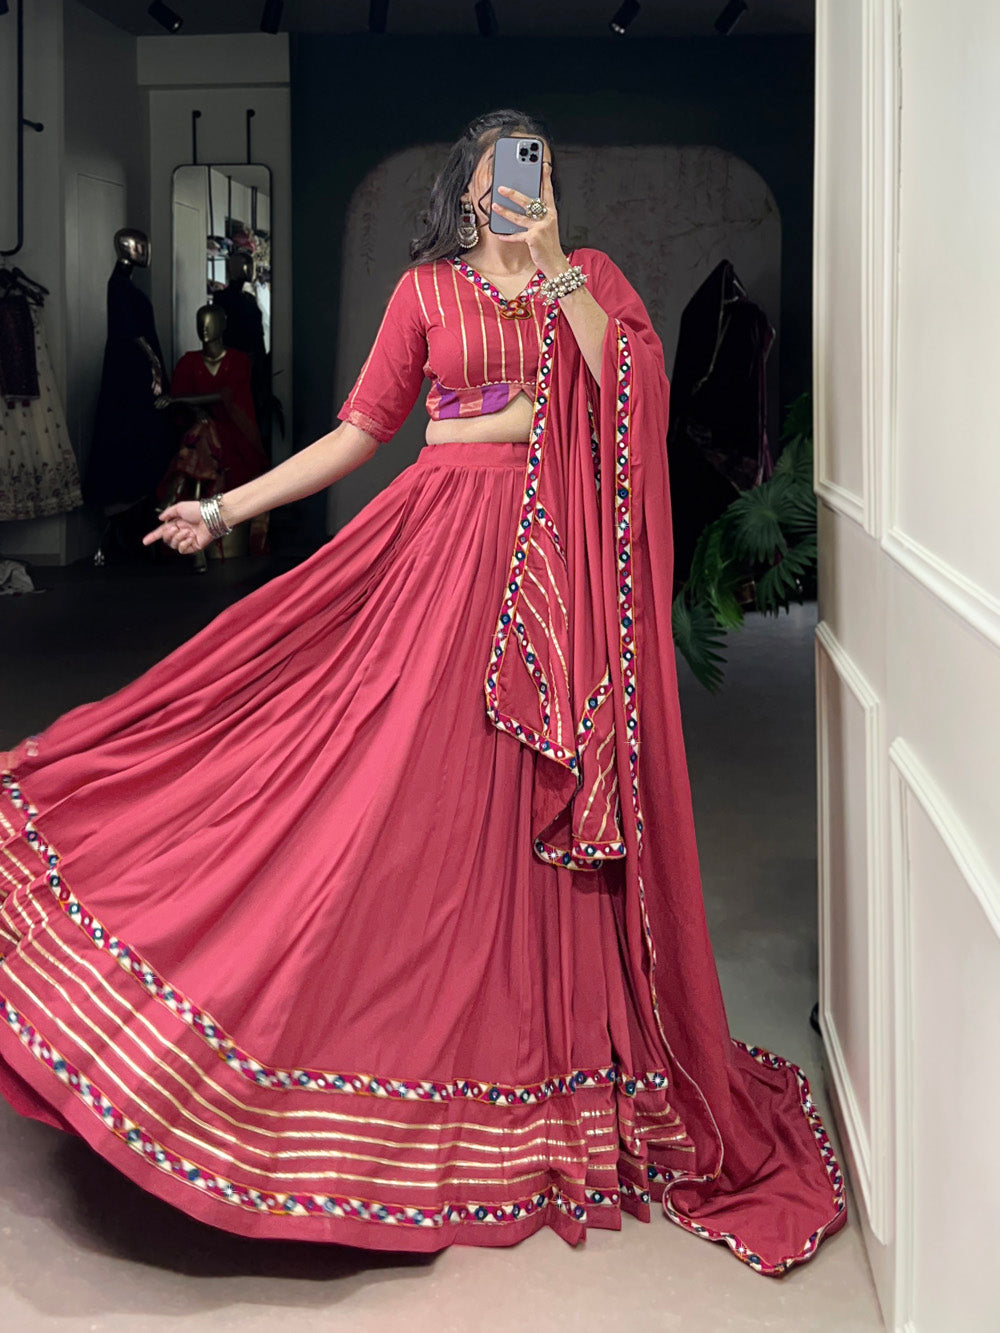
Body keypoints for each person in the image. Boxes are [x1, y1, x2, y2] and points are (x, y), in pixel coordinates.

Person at [0, 110, 846, 1274]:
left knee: (527, 808)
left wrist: (557, 272)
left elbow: (631, 393)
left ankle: (531, 1044)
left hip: (552, 578)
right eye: (503, 169)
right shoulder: (423, 293)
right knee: (389, 790)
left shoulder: (588, 279)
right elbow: (359, 433)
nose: (521, 184)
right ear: (466, 188)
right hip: (438, 560)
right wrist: (226, 506)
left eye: (537, 166)